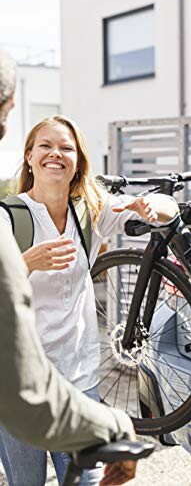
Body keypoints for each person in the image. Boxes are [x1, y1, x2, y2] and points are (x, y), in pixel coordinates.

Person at [0, 113, 179, 485]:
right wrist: (25, 263)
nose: (56, 154)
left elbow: (169, 208)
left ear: (78, 160)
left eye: (67, 148)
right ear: (30, 157)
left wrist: (149, 206)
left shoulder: (90, 211)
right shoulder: (8, 217)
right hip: (23, 384)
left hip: (79, 378)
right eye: (45, 146)